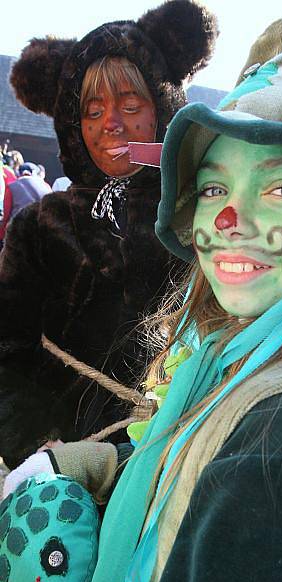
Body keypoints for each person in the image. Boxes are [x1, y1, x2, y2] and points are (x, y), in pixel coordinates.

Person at [2, 6, 282, 582]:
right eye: (213, 186)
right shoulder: (235, 351)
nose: (229, 220)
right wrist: (73, 455)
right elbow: (192, 447)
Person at [0, 0, 218, 470]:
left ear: (161, 109)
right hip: (58, 466)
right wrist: (41, 444)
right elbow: (6, 351)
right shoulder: (39, 228)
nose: (110, 124)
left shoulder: (200, 216)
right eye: (92, 110)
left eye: (130, 105)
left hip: (173, 458)